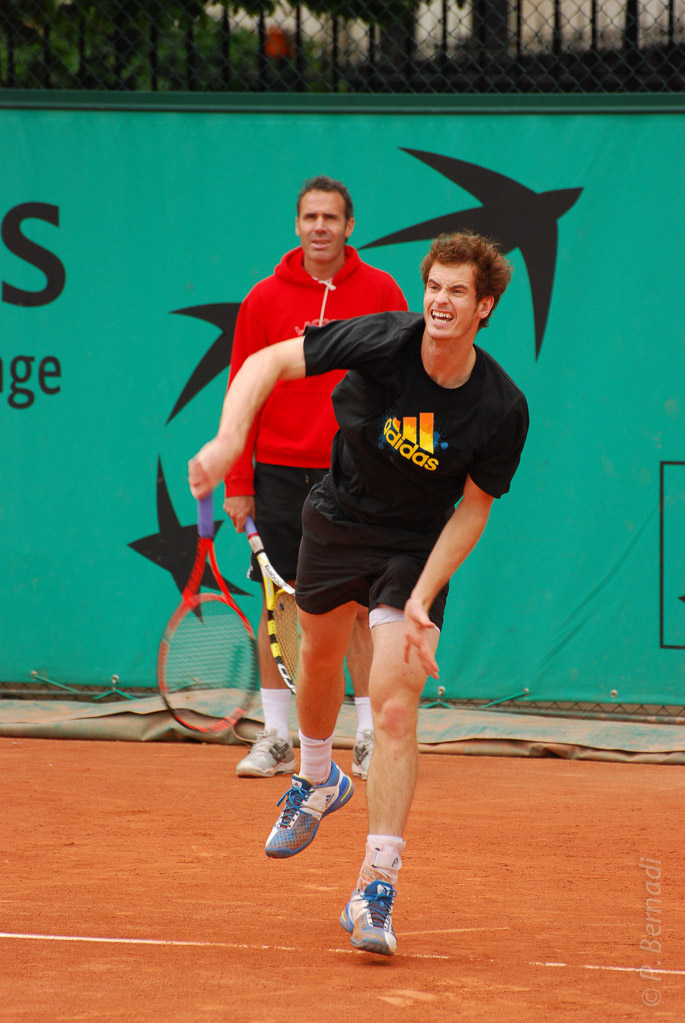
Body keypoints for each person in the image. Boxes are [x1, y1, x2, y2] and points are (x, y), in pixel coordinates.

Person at [189, 231, 529, 957]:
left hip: (414, 547)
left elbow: (473, 508)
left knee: (396, 705)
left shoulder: (501, 406)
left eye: (457, 291)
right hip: (337, 518)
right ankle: (317, 779)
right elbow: (266, 361)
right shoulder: (383, 339)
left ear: (485, 307)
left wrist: (423, 597)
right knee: (318, 655)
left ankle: (377, 883)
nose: (440, 301)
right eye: (434, 286)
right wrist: (226, 442)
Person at [224, 175, 408, 781]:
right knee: (279, 603)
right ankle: (277, 737)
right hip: (278, 474)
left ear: (349, 226)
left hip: (356, 472)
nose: (320, 227)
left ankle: (367, 737)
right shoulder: (262, 299)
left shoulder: (382, 290)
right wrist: (238, 481)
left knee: (357, 608)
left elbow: (401, 384)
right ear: (297, 225)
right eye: (310, 217)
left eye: (331, 217)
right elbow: (243, 389)